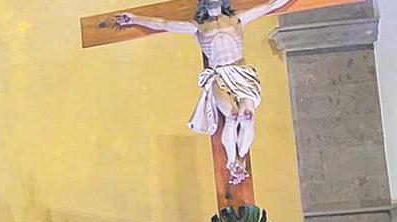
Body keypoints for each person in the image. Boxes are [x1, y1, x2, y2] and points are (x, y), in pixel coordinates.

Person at [114, 0, 296, 184]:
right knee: (232, 116)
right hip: (218, 76)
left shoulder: (238, 19)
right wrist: (134, 19)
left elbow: (271, 5)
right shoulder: (198, 27)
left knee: (247, 116)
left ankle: (241, 158)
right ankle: (232, 162)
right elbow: (163, 23)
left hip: (241, 73)